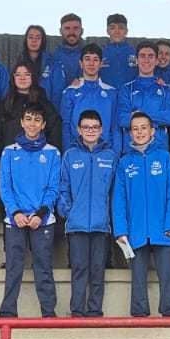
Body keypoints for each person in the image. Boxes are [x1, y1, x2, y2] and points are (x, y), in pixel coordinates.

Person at [113, 112, 170, 318]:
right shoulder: (125, 163)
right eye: (135, 129)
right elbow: (119, 200)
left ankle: (169, 312)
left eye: (144, 127)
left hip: (163, 229)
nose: (140, 132)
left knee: (167, 275)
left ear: (152, 131)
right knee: (138, 276)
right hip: (136, 230)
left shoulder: (164, 156)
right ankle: (139, 314)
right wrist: (121, 230)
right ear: (130, 133)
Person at [0, 103, 61, 317]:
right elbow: (5, 186)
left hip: (41, 220)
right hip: (15, 219)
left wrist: (40, 214)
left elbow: (54, 187)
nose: (32, 123)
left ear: (42, 125)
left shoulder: (52, 153)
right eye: (28, 119)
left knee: (43, 267)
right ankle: (7, 313)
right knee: (13, 267)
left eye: (37, 120)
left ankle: (49, 312)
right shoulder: (9, 151)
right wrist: (15, 212)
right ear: (22, 122)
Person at [58, 109, 118, 317]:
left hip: (102, 225)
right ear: (78, 129)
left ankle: (94, 311)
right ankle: (76, 310)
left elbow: (115, 192)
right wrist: (69, 211)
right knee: (79, 268)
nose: (90, 131)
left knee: (97, 270)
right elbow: (63, 187)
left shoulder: (110, 156)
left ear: (101, 129)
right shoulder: (70, 155)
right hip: (77, 224)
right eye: (86, 127)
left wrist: (111, 217)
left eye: (94, 127)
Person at [115, 42, 170, 152]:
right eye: (142, 56)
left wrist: (137, 114)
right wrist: (157, 118)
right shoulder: (126, 89)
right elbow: (122, 119)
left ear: (157, 61)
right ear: (136, 60)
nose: (146, 60)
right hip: (131, 150)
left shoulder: (166, 90)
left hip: (159, 149)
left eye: (150, 56)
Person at [59, 43, 121, 150]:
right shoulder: (70, 92)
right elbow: (65, 125)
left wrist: (115, 152)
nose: (91, 63)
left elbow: (115, 127)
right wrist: (68, 151)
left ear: (101, 63)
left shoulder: (111, 92)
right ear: (81, 63)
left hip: (105, 151)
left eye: (95, 60)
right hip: (77, 151)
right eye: (87, 59)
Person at [0, 63, 63, 154]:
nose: (22, 78)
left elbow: (55, 134)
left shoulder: (44, 104)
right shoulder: (4, 105)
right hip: (10, 160)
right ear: (13, 78)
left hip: (39, 159)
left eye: (27, 74)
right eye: (18, 74)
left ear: (33, 77)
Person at [42, 13, 85, 105]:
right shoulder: (51, 58)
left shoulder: (90, 58)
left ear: (82, 31)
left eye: (76, 28)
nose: (71, 32)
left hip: (82, 115)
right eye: (67, 28)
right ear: (60, 31)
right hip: (54, 114)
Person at [100, 14, 137, 89]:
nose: (117, 31)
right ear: (107, 31)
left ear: (126, 31)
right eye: (112, 28)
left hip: (128, 96)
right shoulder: (100, 53)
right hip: (107, 96)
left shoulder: (134, 53)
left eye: (121, 28)